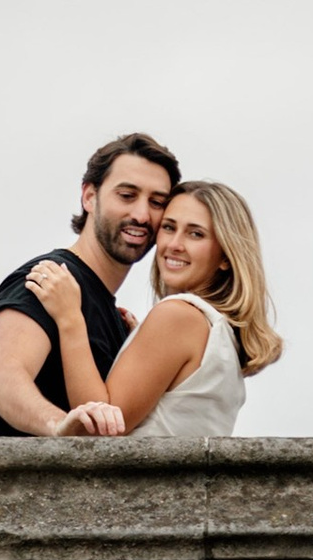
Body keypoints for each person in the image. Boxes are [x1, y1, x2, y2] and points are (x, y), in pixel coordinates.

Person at [24, 179, 282, 440]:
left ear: (226, 256)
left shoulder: (178, 316)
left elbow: (100, 429)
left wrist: (70, 318)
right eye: (169, 227)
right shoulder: (216, 329)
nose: (174, 244)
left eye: (196, 234)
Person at [0, 135, 180, 435]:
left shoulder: (116, 318)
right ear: (89, 197)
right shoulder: (47, 277)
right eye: (127, 195)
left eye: (157, 202)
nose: (142, 215)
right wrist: (61, 428)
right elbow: (2, 382)